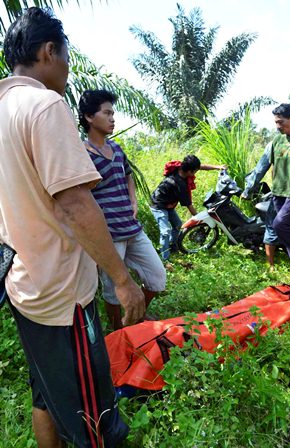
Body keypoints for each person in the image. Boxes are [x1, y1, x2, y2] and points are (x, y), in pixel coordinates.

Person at [0, 8, 145, 448]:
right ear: (49, 52)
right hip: (64, 296)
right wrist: (122, 281)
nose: (66, 70)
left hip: (23, 285)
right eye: (65, 58)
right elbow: (75, 205)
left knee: (45, 393)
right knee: (95, 414)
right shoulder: (44, 105)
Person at [78, 89, 166, 330]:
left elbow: (128, 175)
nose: (112, 118)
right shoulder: (81, 154)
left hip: (132, 229)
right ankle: (120, 330)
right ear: (88, 116)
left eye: (113, 113)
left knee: (157, 277)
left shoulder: (116, 148)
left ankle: (135, 317)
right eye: (106, 113)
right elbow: (77, 197)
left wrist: (133, 201)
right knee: (112, 291)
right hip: (108, 235)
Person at [150, 155, 225, 262]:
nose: (196, 172)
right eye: (195, 171)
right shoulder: (180, 185)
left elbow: (201, 166)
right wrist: (199, 218)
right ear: (190, 171)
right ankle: (164, 259)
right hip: (158, 205)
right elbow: (189, 206)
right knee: (165, 232)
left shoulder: (180, 166)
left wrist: (217, 167)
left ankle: (172, 245)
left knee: (177, 225)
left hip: (168, 203)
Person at [270, 103, 290, 273]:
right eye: (276, 122)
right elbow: (274, 165)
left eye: (281, 122)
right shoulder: (277, 140)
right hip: (279, 191)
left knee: (279, 224)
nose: (278, 126)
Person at [242, 143, 280, 269]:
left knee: (271, 226)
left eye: (280, 122)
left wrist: (247, 190)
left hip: (282, 193)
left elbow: (260, 169)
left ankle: (271, 265)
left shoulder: (275, 143)